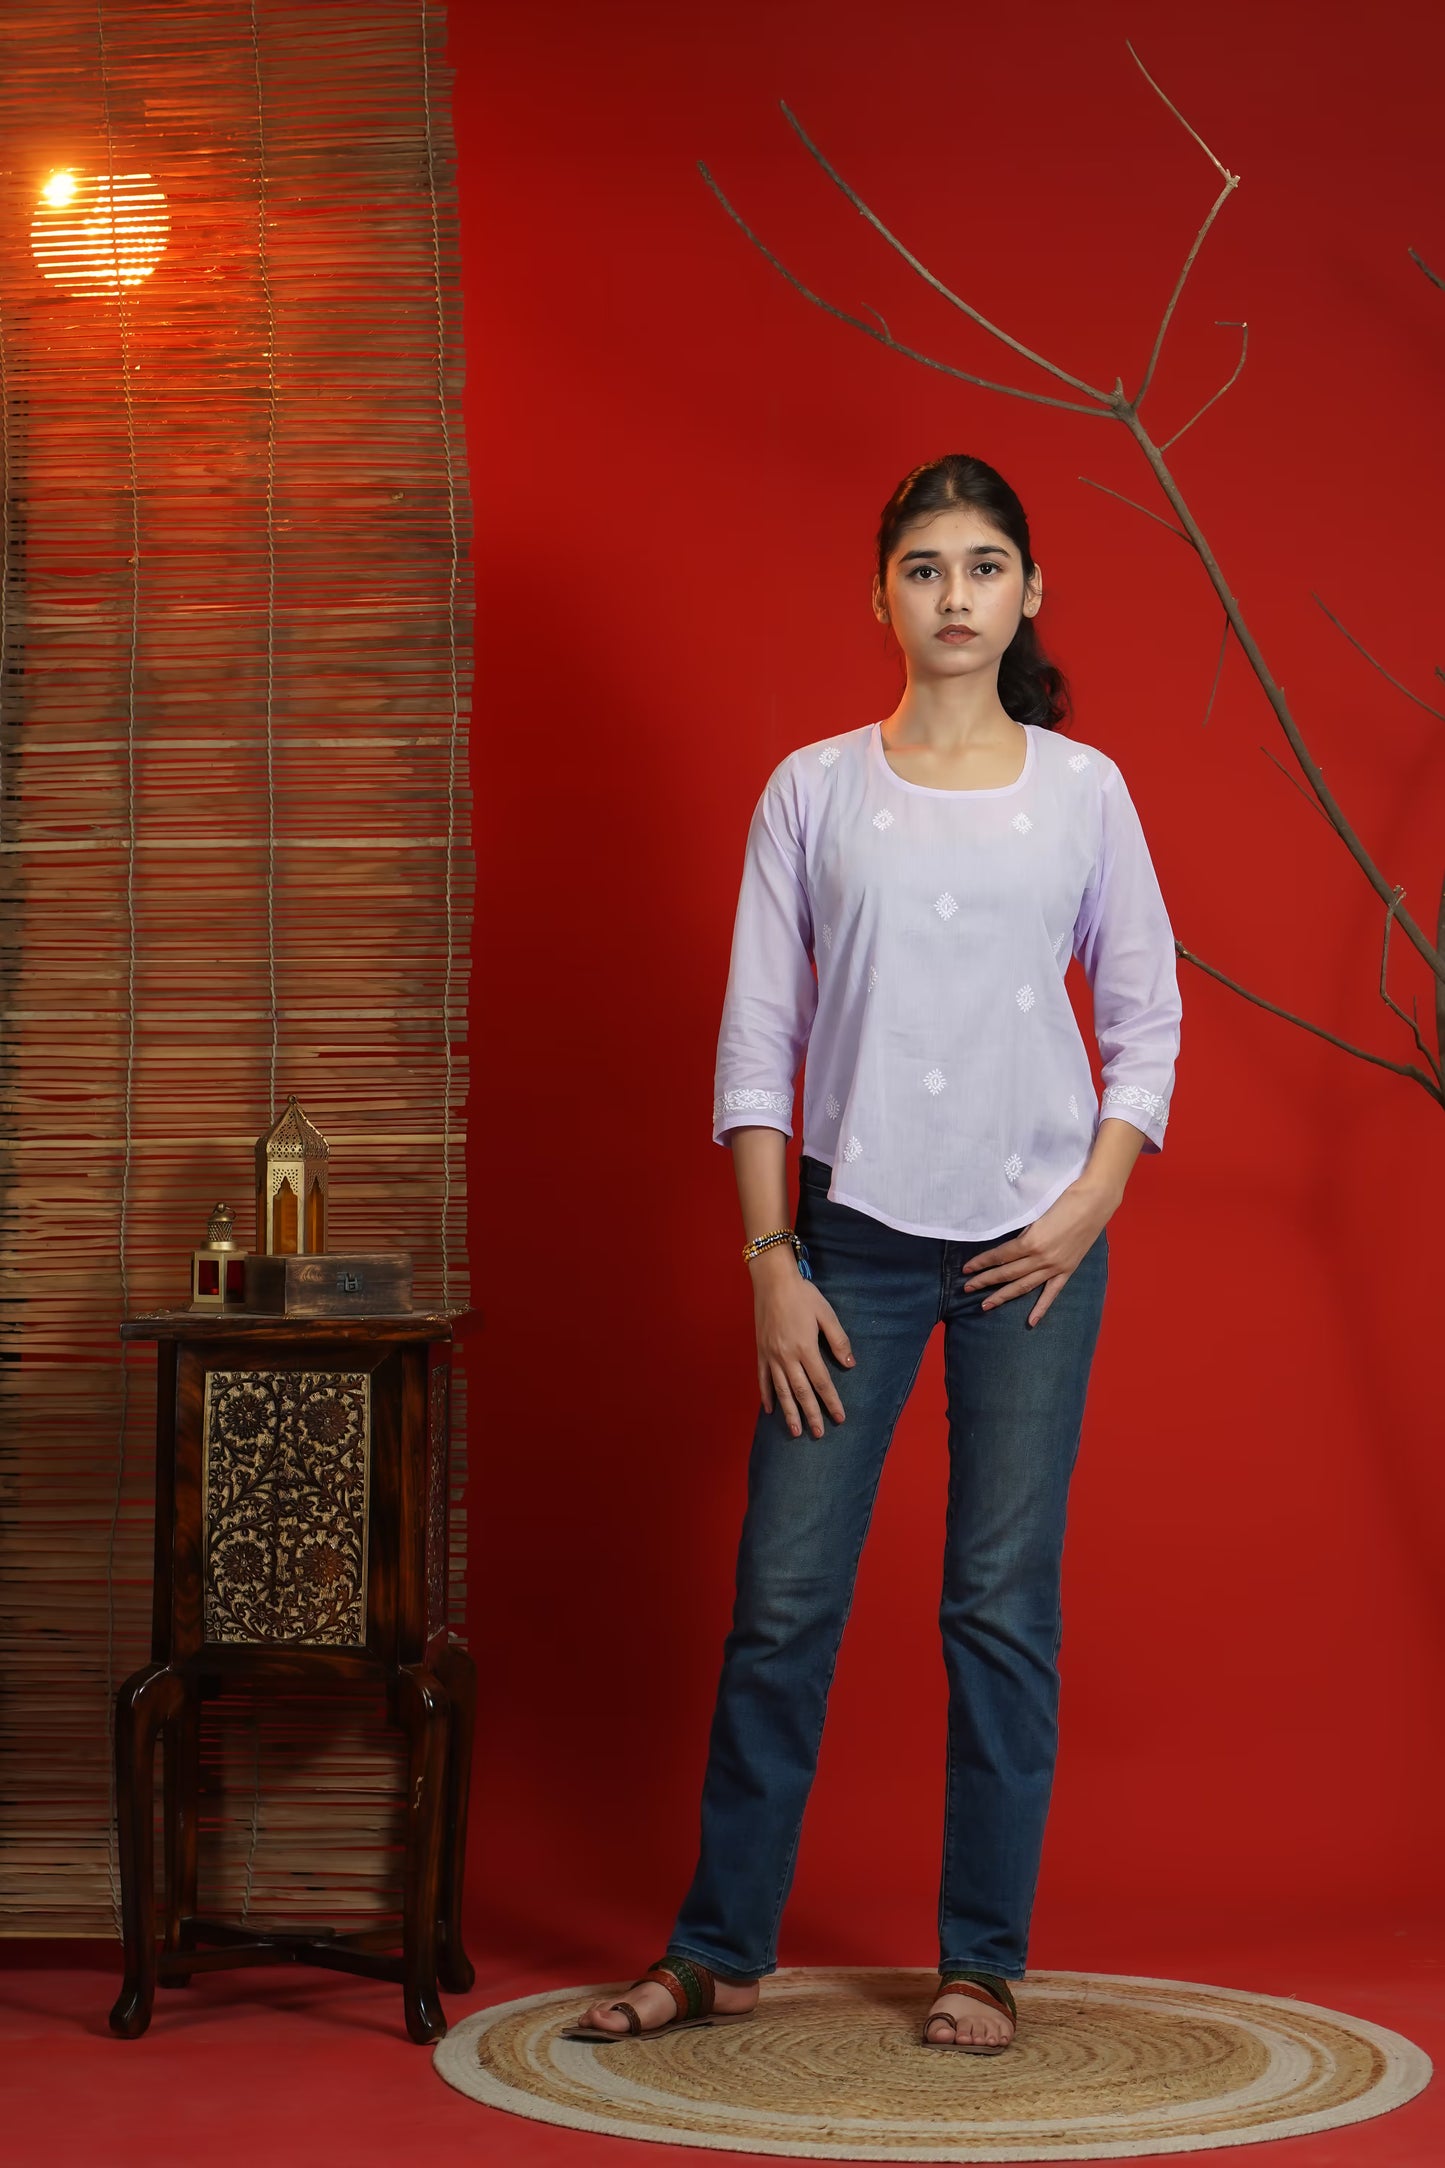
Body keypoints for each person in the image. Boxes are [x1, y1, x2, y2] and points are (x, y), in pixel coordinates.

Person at [566, 452, 1182, 2055]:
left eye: (983, 566)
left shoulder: (1085, 792)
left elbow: (1145, 1023)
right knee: (782, 1598)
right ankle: (720, 1948)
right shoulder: (813, 791)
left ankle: (981, 1958)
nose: (953, 595)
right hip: (846, 1241)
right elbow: (755, 1040)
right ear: (881, 596)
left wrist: (1085, 1208)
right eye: (924, 568)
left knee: (996, 1604)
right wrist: (772, 1259)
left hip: (1032, 1250)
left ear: (1028, 593)